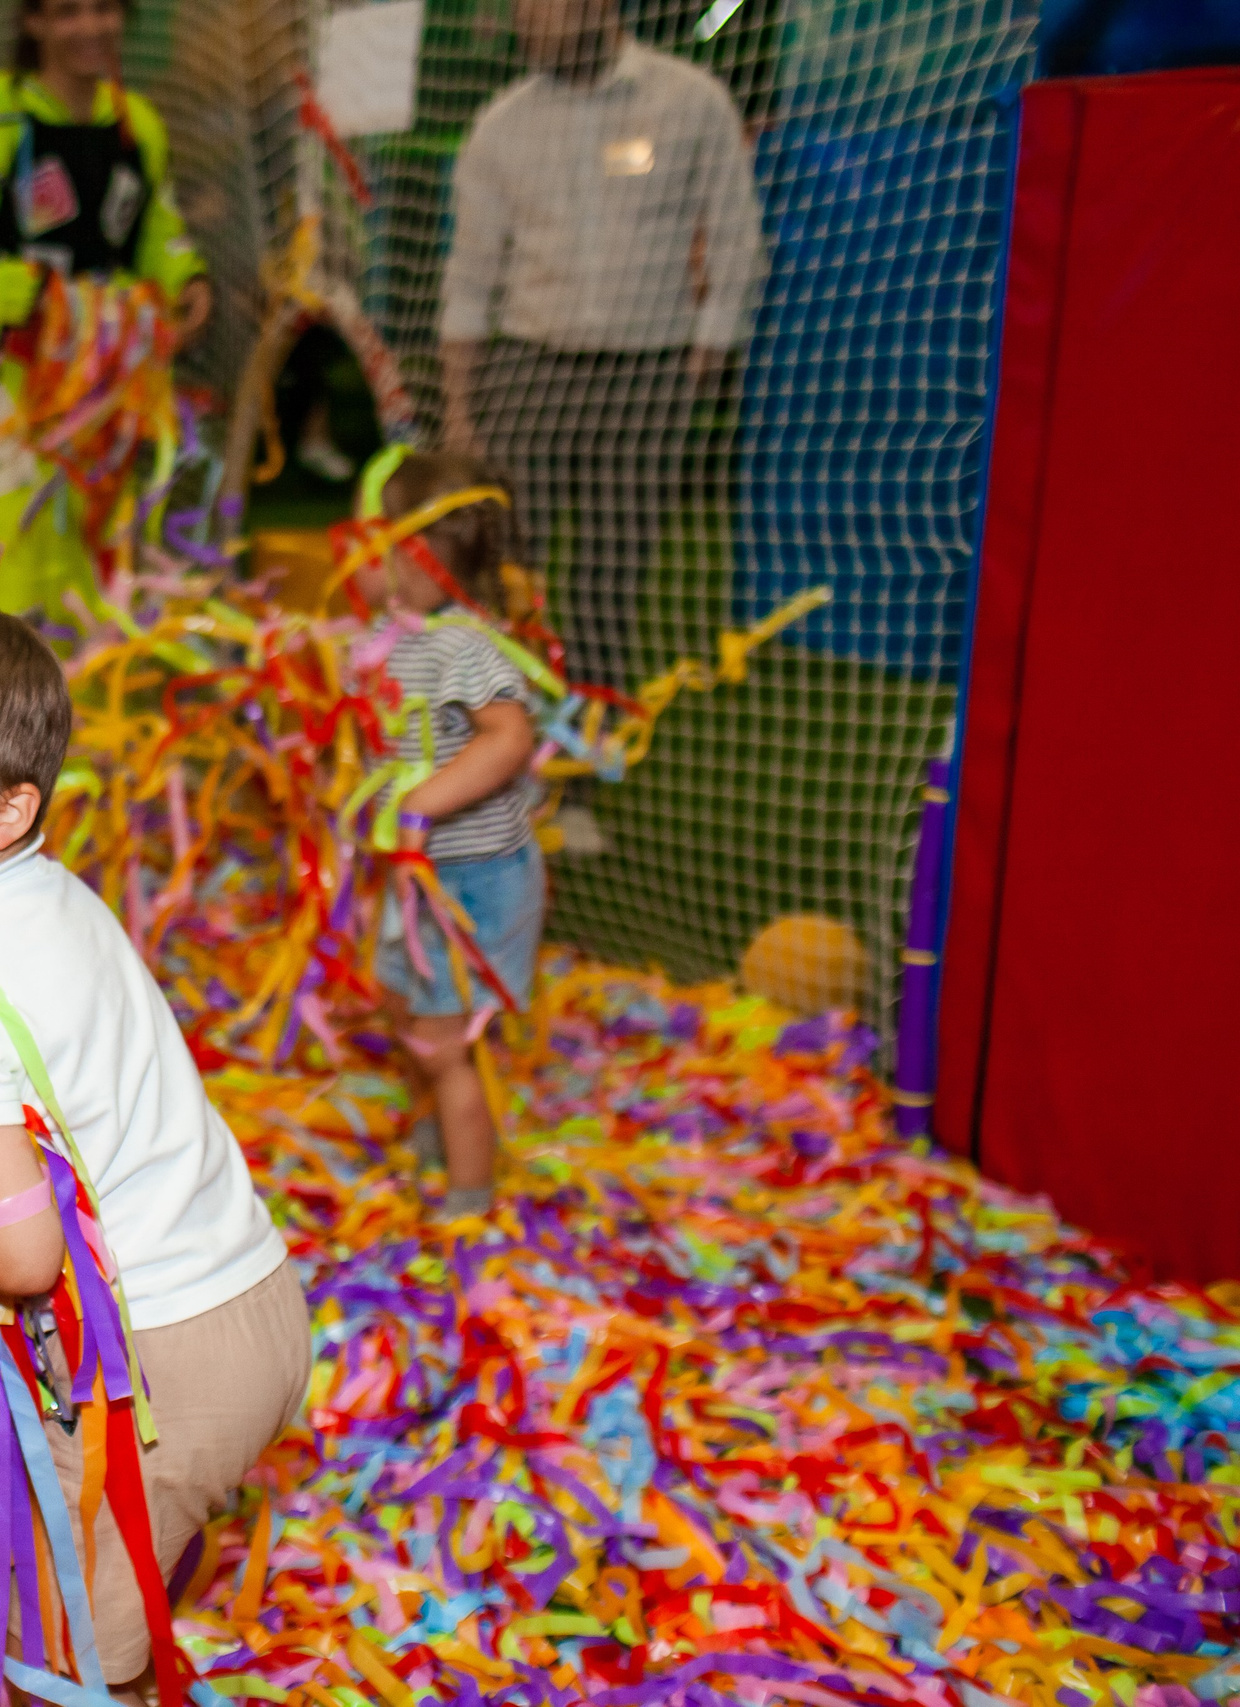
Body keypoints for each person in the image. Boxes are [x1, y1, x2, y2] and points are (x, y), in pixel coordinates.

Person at [0, 602, 304, 1698]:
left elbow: (24, 1259)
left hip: (156, 1368)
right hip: (252, 1300)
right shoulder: (51, 894)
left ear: (6, 810)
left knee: (55, 1657)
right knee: (104, 1583)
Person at [436, 0, 765, 695]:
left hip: (649, 374)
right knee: (503, 559)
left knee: (612, 572)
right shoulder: (501, 124)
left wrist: (709, 347)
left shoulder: (692, 101)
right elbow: (468, 278)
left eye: (542, 4)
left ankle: (590, 735)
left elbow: (735, 235)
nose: (525, 18)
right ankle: (501, 722)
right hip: (527, 370)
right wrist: (459, 409)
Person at [0, 0, 213, 615]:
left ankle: (91, 681)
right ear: (34, 22)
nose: (91, 27)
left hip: (101, 411)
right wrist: (28, 298)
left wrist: (185, 278)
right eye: (68, 12)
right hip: (3, 400)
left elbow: (156, 225)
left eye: (104, 9)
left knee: (94, 585)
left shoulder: (137, 125)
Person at [351, 452, 545, 1220]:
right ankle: (433, 1128)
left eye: (373, 546)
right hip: (418, 878)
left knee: (443, 1041)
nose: (358, 563)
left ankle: (469, 1193)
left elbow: (510, 736)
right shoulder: (393, 635)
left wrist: (419, 803)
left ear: (417, 556)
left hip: (474, 882)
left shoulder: (463, 645)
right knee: (405, 1010)